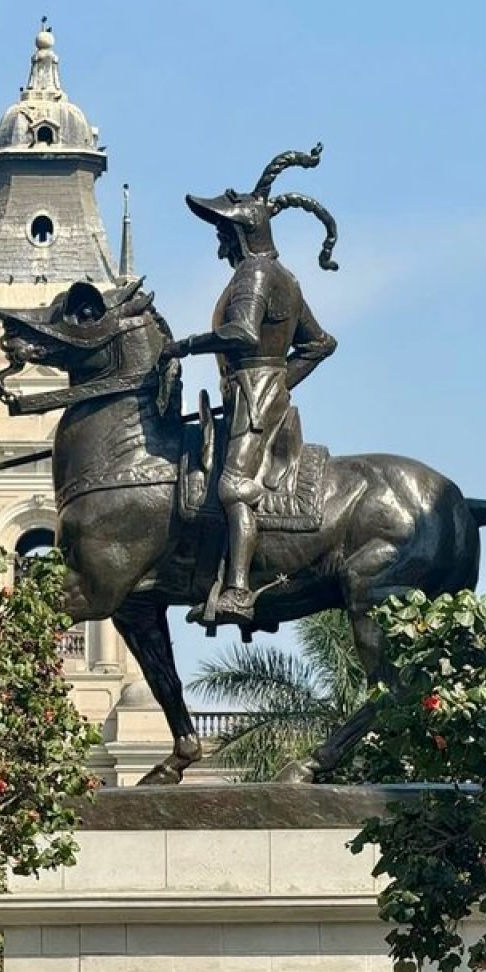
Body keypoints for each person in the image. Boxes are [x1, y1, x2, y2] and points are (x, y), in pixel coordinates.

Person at [163, 145, 339, 624]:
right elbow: (319, 344)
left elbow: (241, 332)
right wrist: (280, 384)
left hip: (252, 395)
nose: (220, 243)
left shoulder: (254, 275)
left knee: (235, 487)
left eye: (222, 232)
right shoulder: (286, 276)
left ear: (240, 233)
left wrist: (184, 346)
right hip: (260, 392)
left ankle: (239, 591)